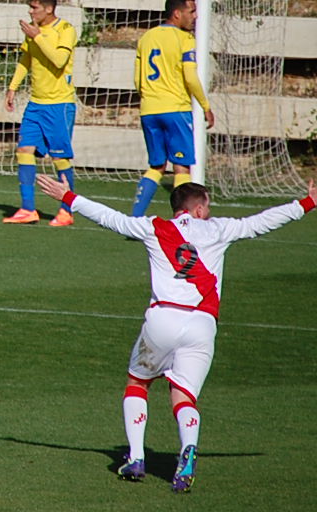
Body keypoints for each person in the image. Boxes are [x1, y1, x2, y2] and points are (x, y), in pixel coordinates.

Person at [34, 171, 316, 493]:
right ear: (197, 209)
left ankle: (137, 457)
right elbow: (262, 221)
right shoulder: (219, 229)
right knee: (184, 396)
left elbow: (111, 218)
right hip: (203, 324)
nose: (208, 213)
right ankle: (187, 451)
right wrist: (307, 203)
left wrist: (68, 198)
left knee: (138, 382)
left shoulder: (155, 227)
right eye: (207, 207)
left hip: (163, 318)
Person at [130, 0, 215, 217]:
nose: (195, 17)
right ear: (177, 14)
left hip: (149, 110)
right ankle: (183, 221)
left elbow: (138, 79)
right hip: (175, 109)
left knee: (156, 166)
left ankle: (134, 218)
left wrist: (150, 98)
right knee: (181, 167)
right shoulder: (185, 39)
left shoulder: (147, 37)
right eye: (191, 12)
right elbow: (190, 76)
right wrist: (205, 106)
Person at [3, 0, 79, 226]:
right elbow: (27, 59)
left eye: (34, 7)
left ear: (48, 9)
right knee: (24, 150)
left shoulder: (65, 30)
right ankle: (28, 209)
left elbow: (58, 60)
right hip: (36, 104)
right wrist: (13, 86)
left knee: (59, 159)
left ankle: (66, 211)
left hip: (59, 104)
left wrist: (37, 36)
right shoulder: (34, 31)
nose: (31, 11)